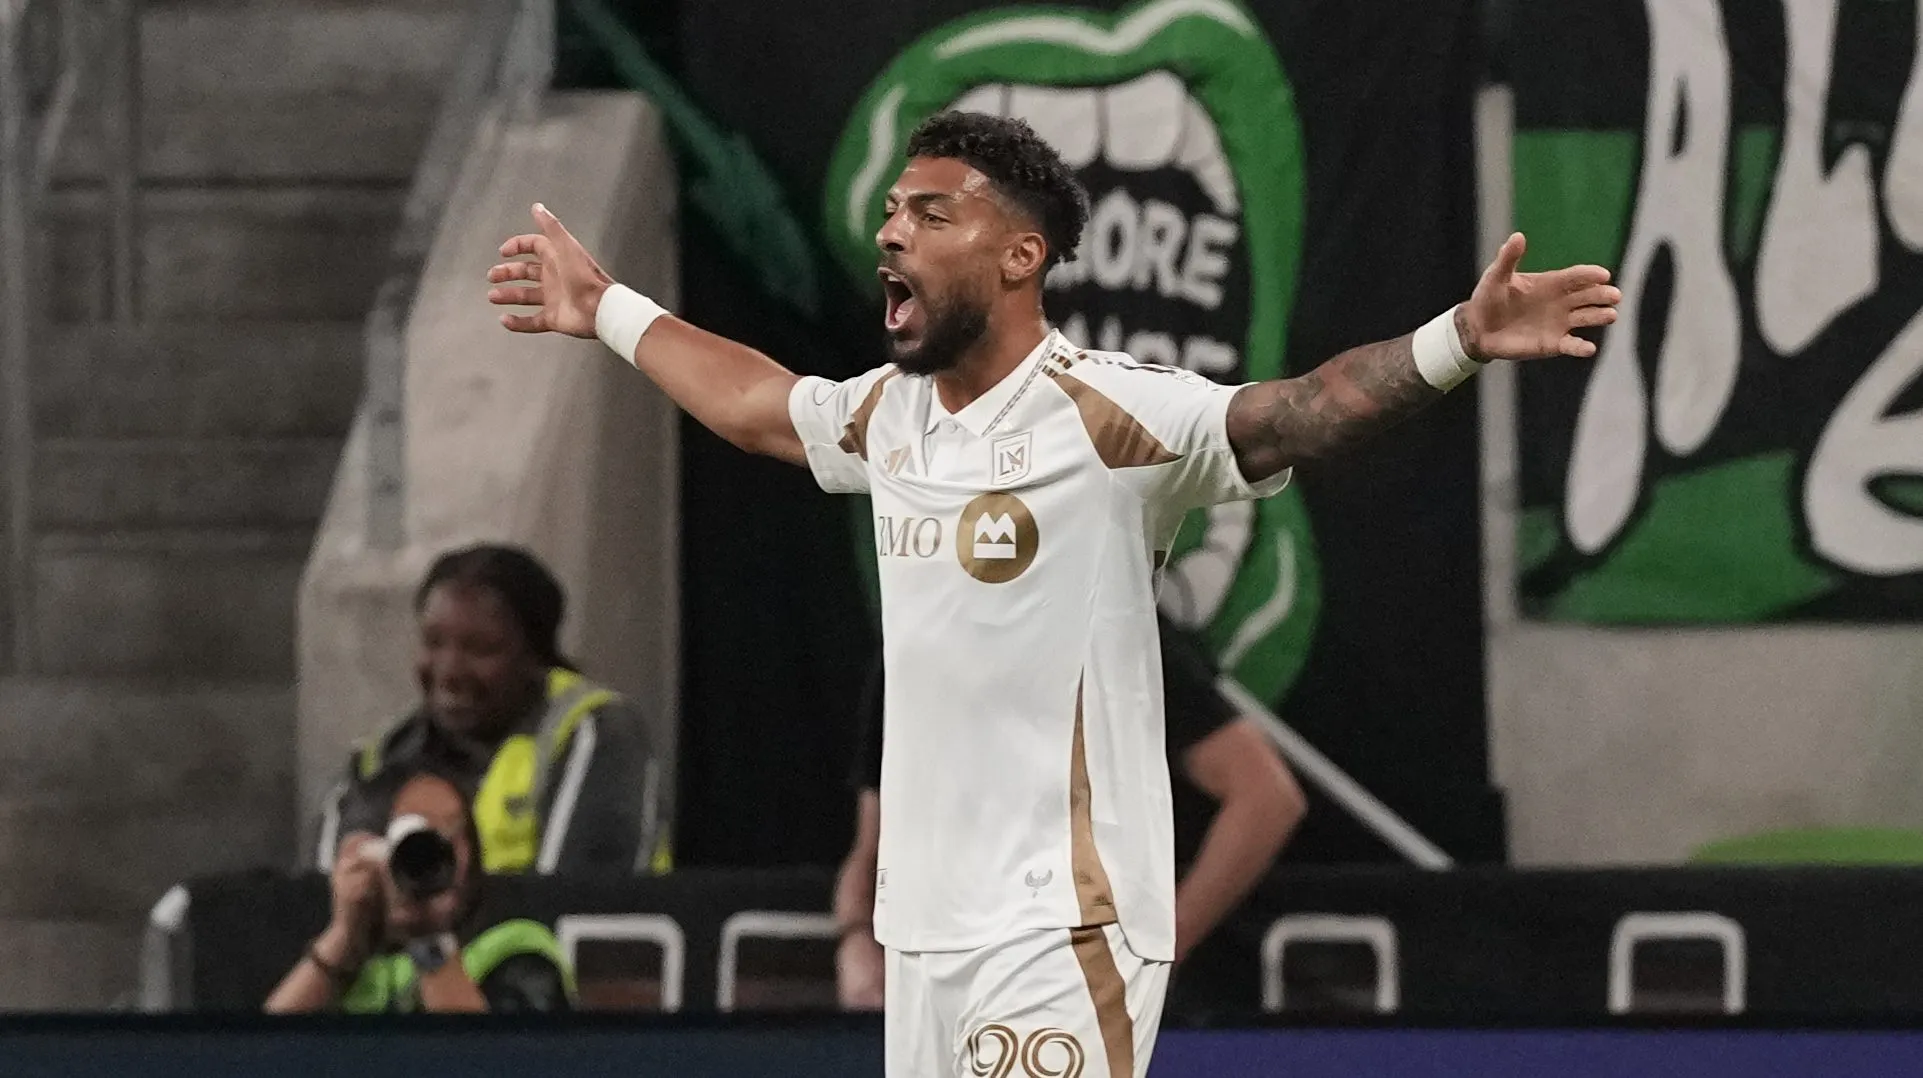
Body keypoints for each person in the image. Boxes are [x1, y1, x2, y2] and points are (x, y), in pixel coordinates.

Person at [486, 110, 1616, 1077]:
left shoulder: (1113, 414)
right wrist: (609, 307)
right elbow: (754, 405)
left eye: (932, 214)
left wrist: (1456, 341)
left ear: (1020, 256)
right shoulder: (888, 415)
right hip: (922, 927)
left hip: (1064, 919)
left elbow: (1299, 413)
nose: (891, 232)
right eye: (893, 211)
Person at [834, 615, 1305, 1015]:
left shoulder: (1112, 630)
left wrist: (1156, 954)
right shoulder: (913, 648)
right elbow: (872, 852)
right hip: (952, 999)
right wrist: (856, 941)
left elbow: (1267, 798)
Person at [314, 544, 671, 877]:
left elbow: (580, 899)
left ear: (535, 656)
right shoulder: (381, 759)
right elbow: (326, 901)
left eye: (480, 649)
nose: (450, 671)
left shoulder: (592, 733)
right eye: (433, 642)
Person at [268, 762, 576, 1013]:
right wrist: (343, 940)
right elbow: (262, 1056)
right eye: (416, 842)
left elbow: (495, 1059)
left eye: (451, 833)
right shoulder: (325, 948)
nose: (440, 853)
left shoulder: (516, 947)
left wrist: (427, 939)